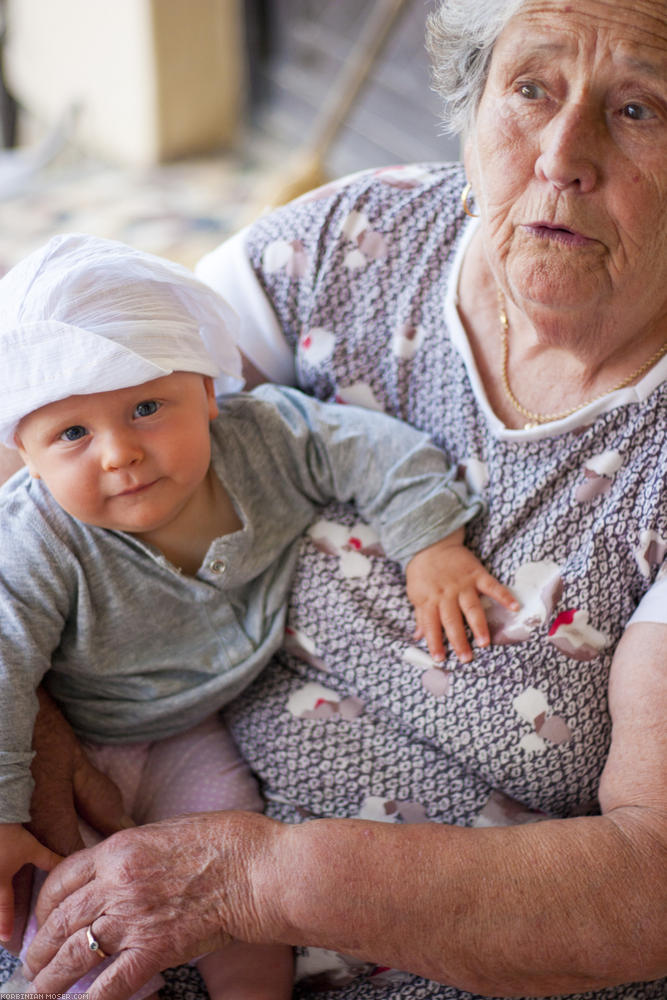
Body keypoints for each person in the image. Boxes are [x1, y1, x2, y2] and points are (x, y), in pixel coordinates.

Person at [3, 0, 666, 997]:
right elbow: (64, 406)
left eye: (638, 109)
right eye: (529, 87)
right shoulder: (358, 238)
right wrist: (27, 716)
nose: (560, 154)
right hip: (112, 865)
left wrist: (258, 880)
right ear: (475, 95)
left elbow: (647, 886)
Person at [0, 232, 517, 999]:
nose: (119, 454)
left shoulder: (266, 437)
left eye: (146, 407)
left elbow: (376, 450)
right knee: (64, 921)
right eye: (72, 433)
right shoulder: (36, 540)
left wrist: (428, 545)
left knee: (234, 901)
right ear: (26, 456)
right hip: (79, 737)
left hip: (193, 732)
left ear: (208, 392)